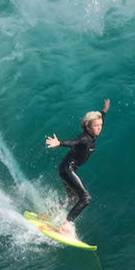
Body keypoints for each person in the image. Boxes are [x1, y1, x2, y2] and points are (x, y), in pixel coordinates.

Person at [45, 98, 110, 237]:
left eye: (101, 125)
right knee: (86, 198)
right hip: (67, 169)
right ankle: (66, 224)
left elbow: (100, 120)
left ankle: (47, 214)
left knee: (73, 200)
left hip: (65, 169)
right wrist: (59, 143)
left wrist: (104, 111)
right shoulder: (85, 137)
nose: (100, 127)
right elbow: (74, 142)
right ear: (88, 127)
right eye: (96, 125)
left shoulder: (93, 134)